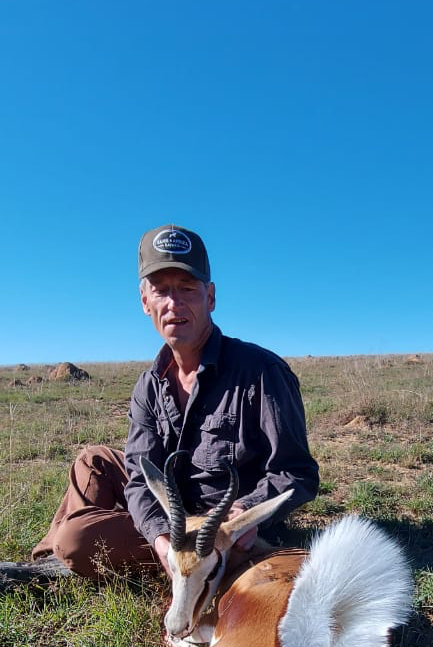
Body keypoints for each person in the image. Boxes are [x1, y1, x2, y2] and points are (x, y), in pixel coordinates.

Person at [30, 224, 319, 579]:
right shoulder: (148, 385)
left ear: (210, 297)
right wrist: (160, 538)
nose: (174, 304)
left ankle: (68, 562)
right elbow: (139, 476)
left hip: (220, 527)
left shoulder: (262, 372)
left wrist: (245, 509)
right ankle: (51, 560)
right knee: (94, 461)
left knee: (75, 538)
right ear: (144, 301)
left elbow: (296, 473)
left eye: (187, 289)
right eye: (161, 290)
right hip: (173, 508)